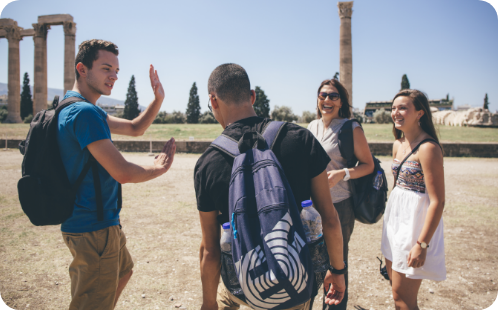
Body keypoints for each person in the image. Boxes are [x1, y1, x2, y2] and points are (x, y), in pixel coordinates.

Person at [194, 63, 346, 310]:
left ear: (213, 100)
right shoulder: (301, 139)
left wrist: (208, 303)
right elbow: (329, 218)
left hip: (240, 284)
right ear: (252, 96)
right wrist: (337, 270)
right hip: (292, 281)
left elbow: (210, 249)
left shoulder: (207, 164)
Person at [58, 39, 176, 310]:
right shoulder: (84, 113)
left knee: (123, 271)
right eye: (106, 68)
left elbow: (135, 128)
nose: (113, 76)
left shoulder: (74, 107)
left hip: (96, 223)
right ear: (82, 69)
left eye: (116, 71)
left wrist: (158, 99)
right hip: (93, 226)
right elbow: (122, 172)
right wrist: (158, 168)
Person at [307, 79, 374, 310]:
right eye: (323, 95)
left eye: (333, 96)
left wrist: (342, 173)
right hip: (311, 207)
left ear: (341, 101)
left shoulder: (350, 127)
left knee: (337, 264)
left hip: (339, 205)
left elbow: (368, 165)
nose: (327, 100)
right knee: (311, 262)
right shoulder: (311, 126)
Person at [381, 89, 446, 310]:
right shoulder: (398, 144)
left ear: (420, 113)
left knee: (403, 300)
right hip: (395, 223)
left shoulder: (428, 148)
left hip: (414, 227)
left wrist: (422, 244)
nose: (395, 113)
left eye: (402, 108)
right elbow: (398, 187)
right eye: (393, 108)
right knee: (395, 292)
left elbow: (438, 201)